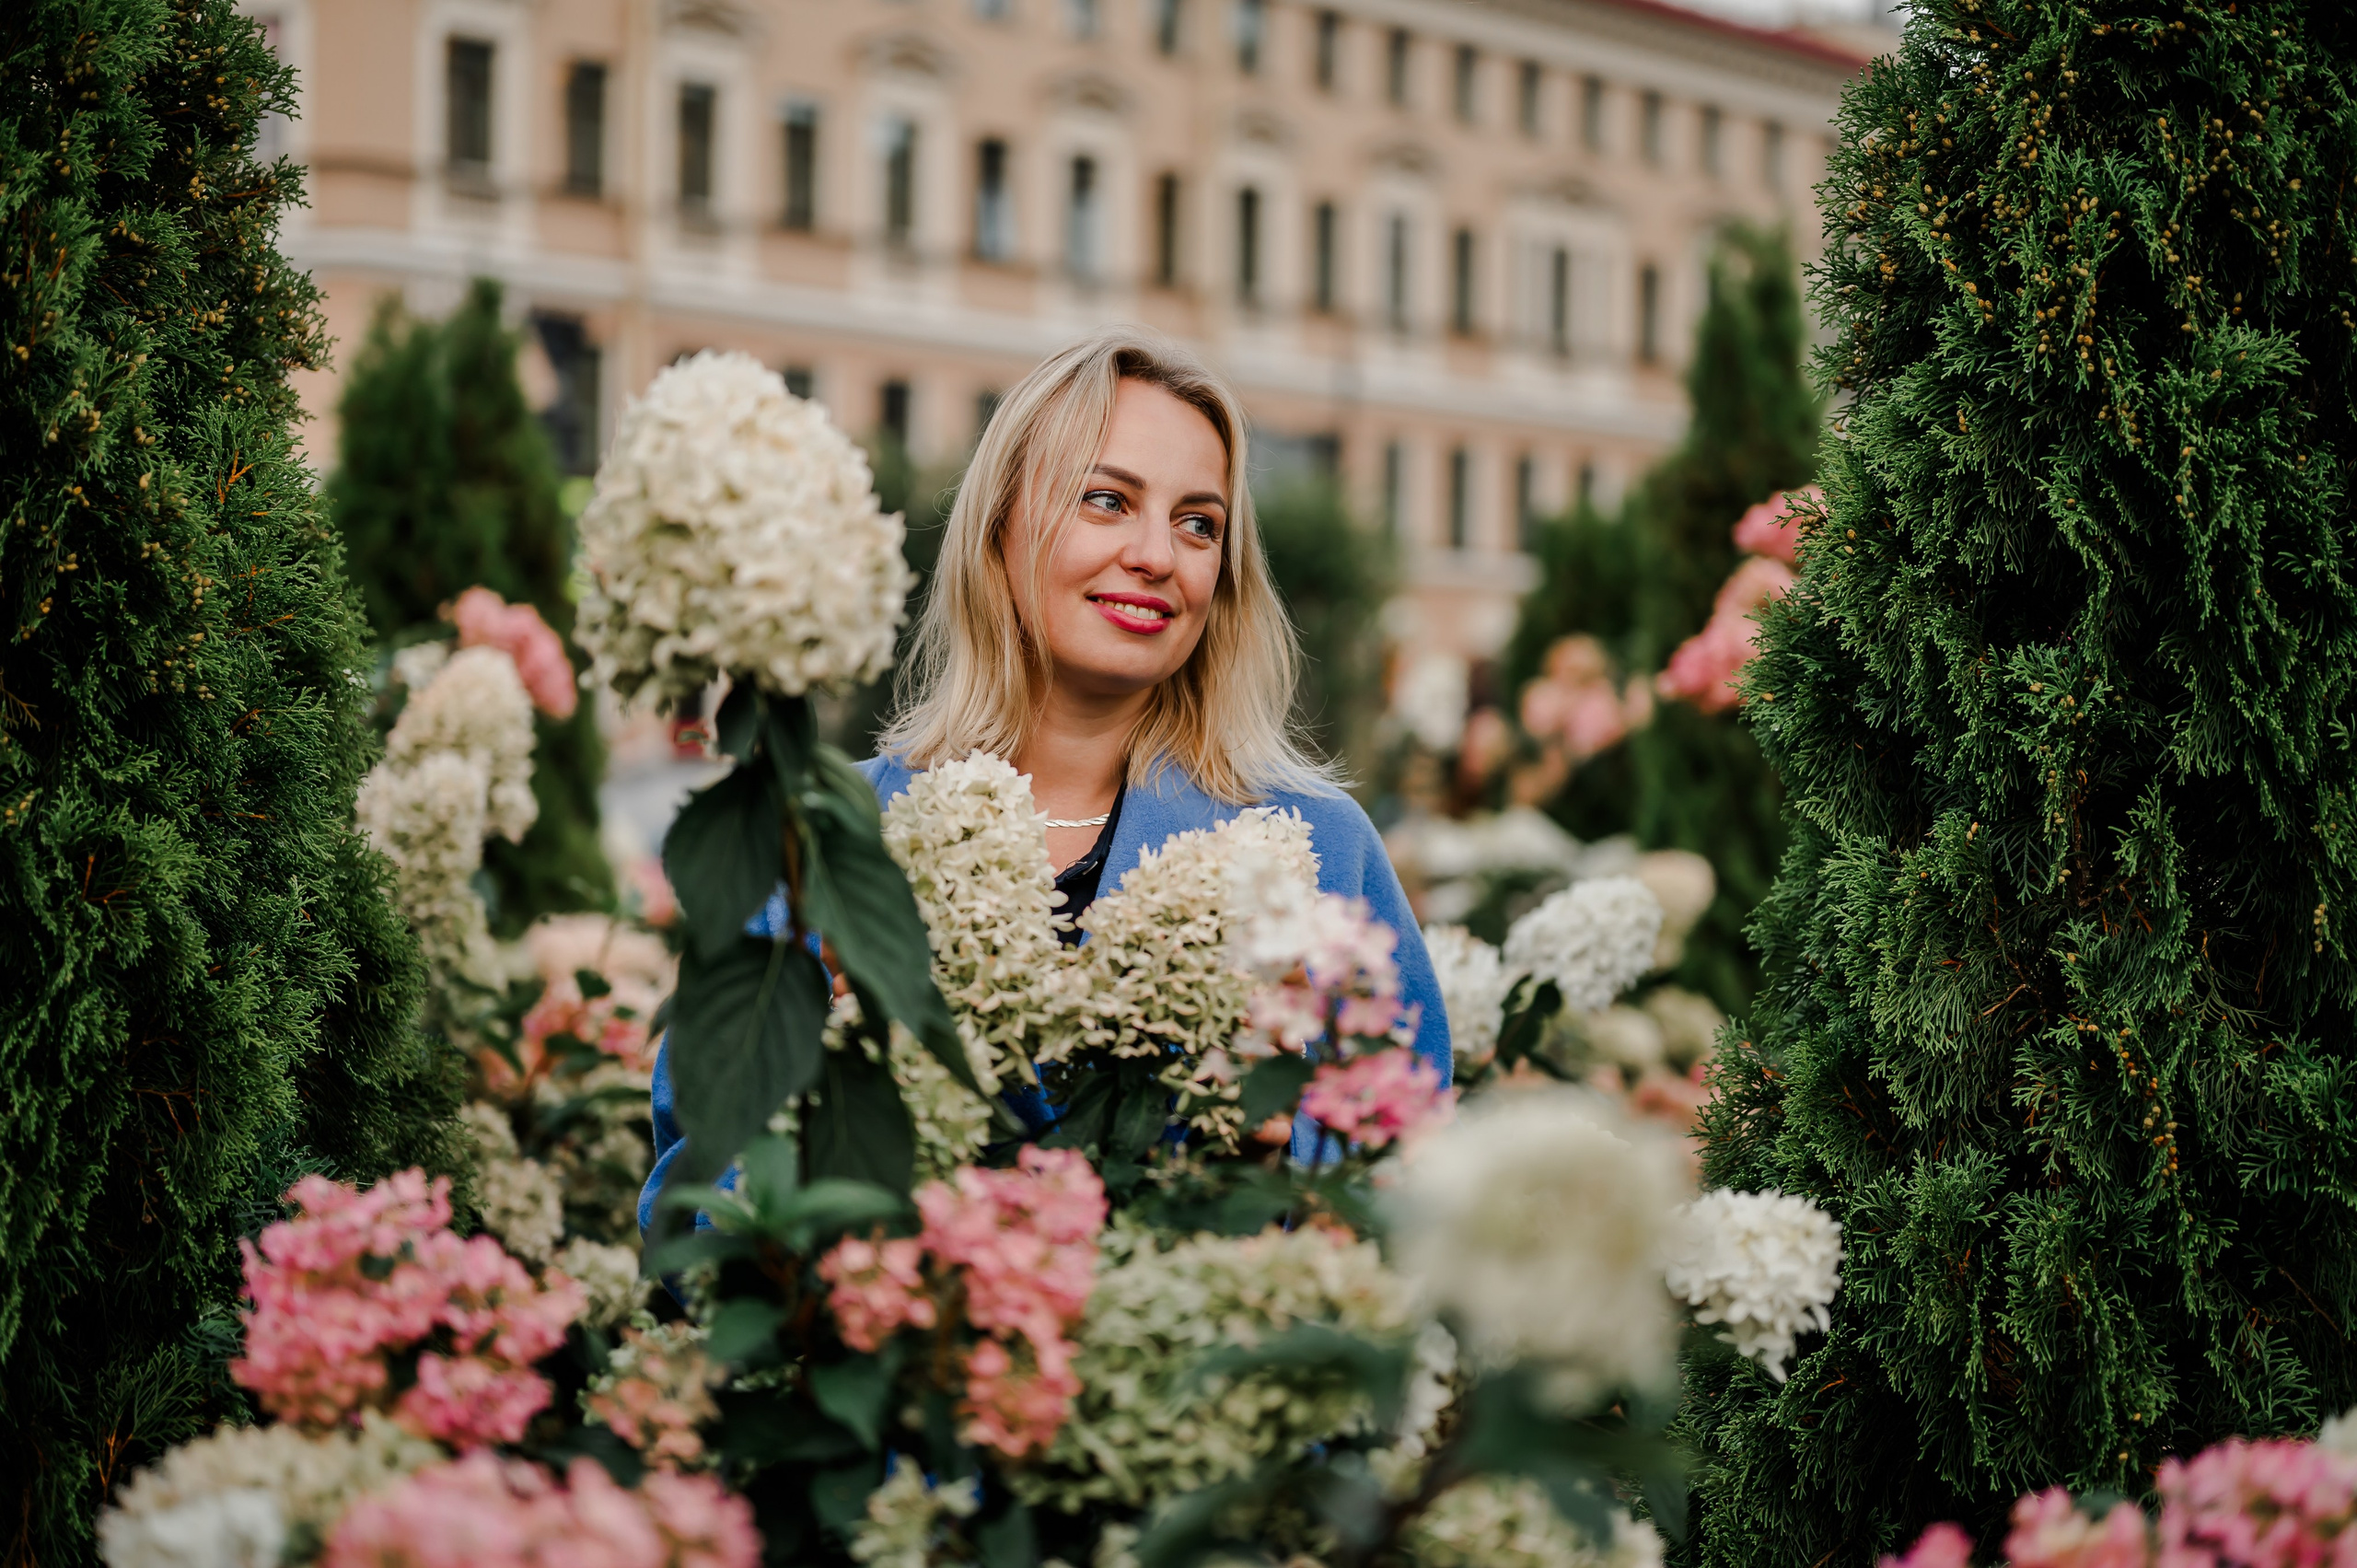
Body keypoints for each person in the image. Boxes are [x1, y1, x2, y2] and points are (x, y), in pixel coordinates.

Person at [641, 327, 1449, 1232]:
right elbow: (687, 1203)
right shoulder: (828, 831)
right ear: (999, 531)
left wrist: (1281, 1146)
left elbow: (1416, 1167)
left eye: (1198, 523)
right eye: (1107, 500)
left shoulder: (1317, 843)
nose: (1157, 554)